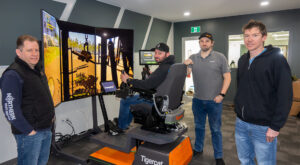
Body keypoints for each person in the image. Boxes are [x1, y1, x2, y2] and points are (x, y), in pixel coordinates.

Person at [234, 20, 293, 165]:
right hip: (241, 122)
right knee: (244, 160)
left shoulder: (276, 60)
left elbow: (285, 95)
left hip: (263, 126)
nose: (249, 39)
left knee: (265, 162)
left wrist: (275, 126)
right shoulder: (242, 60)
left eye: (255, 35)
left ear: (264, 37)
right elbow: (240, 87)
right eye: (246, 35)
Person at [0, 35, 55, 165]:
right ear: (19, 52)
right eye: (29, 50)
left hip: (46, 128)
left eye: (36, 50)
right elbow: (10, 109)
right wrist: (29, 131)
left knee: (42, 162)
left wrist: (51, 117)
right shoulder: (12, 75)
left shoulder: (38, 70)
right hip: (30, 133)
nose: (35, 54)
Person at [184, 32, 231, 165]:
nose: (204, 43)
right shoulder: (193, 57)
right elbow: (186, 74)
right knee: (199, 127)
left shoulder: (220, 57)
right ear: (199, 43)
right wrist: (186, 65)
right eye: (202, 41)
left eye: (207, 41)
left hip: (214, 101)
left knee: (215, 129)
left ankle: (218, 155)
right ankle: (198, 148)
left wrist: (221, 95)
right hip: (197, 100)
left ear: (212, 43)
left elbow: (227, 77)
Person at [118, 43, 175, 130]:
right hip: (164, 99)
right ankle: (126, 124)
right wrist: (153, 76)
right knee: (131, 98)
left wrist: (128, 80)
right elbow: (159, 80)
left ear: (167, 54)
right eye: (155, 53)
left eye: (160, 53)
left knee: (125, 100)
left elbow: (146, 85)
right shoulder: (170, 65)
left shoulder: (163, 68)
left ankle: (121, 127)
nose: (156, 55)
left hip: (156, 101)